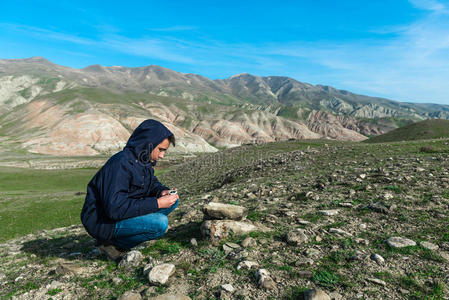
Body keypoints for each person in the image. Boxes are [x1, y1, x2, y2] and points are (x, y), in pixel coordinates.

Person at [81, 119, 179, 261]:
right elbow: (115, 208)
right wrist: (157, 204)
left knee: (173, 200)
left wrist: (162, 192)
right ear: (148, 143)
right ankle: (111, 244)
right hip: (104, 222)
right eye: (161, 149)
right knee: (160, 223)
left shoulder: (143, 161)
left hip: (122, 212)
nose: (162, 155)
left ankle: (124, 235)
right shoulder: (120, 164)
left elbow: (151, 183)